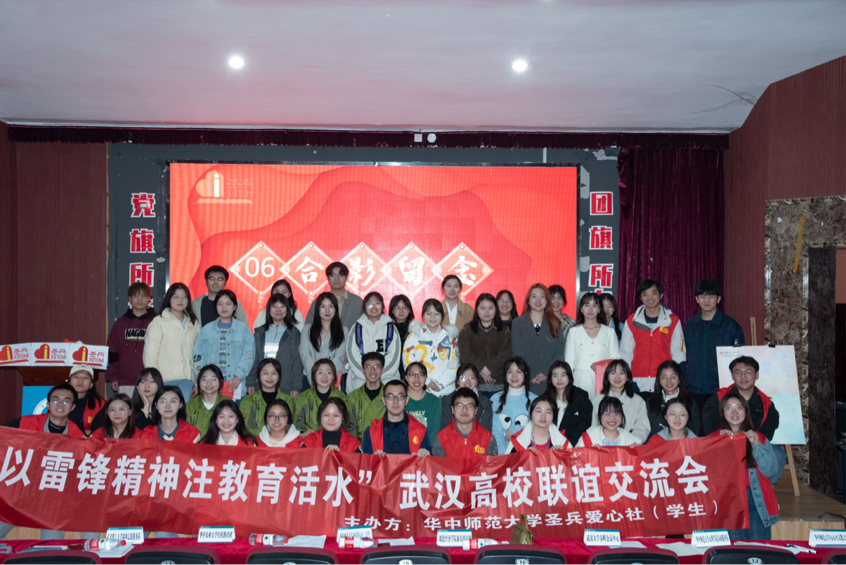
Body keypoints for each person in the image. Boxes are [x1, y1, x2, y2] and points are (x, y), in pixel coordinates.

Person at [0, 384, 83, 541]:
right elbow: (4, 438)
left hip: (51, 496)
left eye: (66, 401)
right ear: (48, 404)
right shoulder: (25, 423)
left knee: (53, 538)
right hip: (21, 489)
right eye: (56, 400)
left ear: (72, 407)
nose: (60, 404)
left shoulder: (78, 437)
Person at [709, 393, 780, 540]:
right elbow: (710, 476)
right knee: (734, 549)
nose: (734, 412)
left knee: (758, 547)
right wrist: (720, 446)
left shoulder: (759, 437)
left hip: (755, 499)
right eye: (729, 408)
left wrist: (756, 445)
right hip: (728, 501)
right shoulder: (713, 439)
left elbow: (771, 471)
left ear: (746, 412)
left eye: (739, 408)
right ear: (722, 413)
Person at [685, 279, 746, 412]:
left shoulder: (730, 326)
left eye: (711, 296)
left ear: (718, 299)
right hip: (695, 390)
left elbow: (740, 359)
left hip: (722, 390)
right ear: (697, 299)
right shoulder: (690, 326)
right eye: (703, 296)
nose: (707, 300)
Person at [620, 280, 686, 393]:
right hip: (637, 381)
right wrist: (628, 380)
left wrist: (676, 381)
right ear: (640, 298)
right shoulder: (631, 322)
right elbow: (625, 354)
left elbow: (679, 355)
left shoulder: (673, 321)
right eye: (645, 294)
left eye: (653, 293)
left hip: (665, 382)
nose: (649, 298)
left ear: (661, 295)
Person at [194, 289, 256, 401]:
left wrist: (239, 376)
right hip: (210, 388)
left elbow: (249, 355)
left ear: (235, 307)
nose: (224, 307)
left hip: (236, 386)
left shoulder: (244, 330)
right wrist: (205, 378)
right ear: (215, 306)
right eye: (220, 304)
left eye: (228, 304)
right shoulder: (206, 330)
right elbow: (198, 356)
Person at [143, 282, 201, 402]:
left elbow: (197, 354)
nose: (180, 300)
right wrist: (153, 380)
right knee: (165, 411)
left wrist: (196, 381)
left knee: (182, 412)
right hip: (164, 379)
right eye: (176, 297)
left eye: (184, 297)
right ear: (169, 299)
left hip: (187, 380)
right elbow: (150, 355)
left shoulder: (193, 323)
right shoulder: (159, 322)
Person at [702, 356, 780, 440]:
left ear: (757, 375)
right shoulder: (718, 399)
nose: (743, 377)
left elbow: (767, 432)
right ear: (732, 376)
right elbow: (711, 431)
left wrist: (754, 439)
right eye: (738, 373)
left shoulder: (765, 404)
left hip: (754, 446)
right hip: (724, 444)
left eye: (748, 372)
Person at [511, 284, 565, 395]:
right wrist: (529, 374)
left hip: (548, 379)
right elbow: (517, 353)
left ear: (547, 300)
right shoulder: (518, 323)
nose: (538, 300)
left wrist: (545, 372)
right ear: (528, 300)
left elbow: (559, 353)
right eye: (534, 296)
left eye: (542, 296)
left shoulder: (555, 323)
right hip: (525, 379)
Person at [564, 292, 621, 397]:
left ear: (599, 309)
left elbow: (616, 358)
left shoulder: (609, 332)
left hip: (603, 379)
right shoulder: (573, 332)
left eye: (594, 305)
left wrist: (602, 366)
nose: (590, 309)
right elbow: (569, 362)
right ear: (581, 309)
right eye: (586, 305)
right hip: (579, 380)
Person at [106, 282, 156, 397]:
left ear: (149, 298)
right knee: (126, 408)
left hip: (150, 381)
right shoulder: (120, 323)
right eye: (136, 295)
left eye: (143, 295)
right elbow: (112, 351)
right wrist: (113, 376)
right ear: (130, 298)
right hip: (125, 381)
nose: (139, 299)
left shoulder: (156, 322)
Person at [458, 293, 512, 398]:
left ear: (496, 309)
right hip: (473, 386)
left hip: (499, 386)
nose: (486, 312)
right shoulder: (467, 329)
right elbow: (465, 354)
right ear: (477, 309)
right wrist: (482, 369)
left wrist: (490, 368)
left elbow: (506, 354)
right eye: (482, 308)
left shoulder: (505, 330)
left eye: (490, 308)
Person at [402, 299, 460, 397]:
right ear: (423, 315)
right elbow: (408, 363)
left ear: (442, 315)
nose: (433, 317)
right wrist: (426, 381)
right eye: (428, 313)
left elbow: (455, 364)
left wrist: (440, 383)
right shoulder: (414, 336)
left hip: (447, 391)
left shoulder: (450, 336)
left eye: (437, 313)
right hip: (421, 390)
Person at [345, 292, 401, 392]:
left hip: (387, 382)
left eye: (377, 303)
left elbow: (394, 357)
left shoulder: (391, 328)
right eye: (369, 304)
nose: (374, 307)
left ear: (383, 306)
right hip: (360, 382)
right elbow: (352, 356)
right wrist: (367, 375)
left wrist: (378, 375)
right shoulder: (356, 328)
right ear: (364, 307)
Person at [249, 293, 303, 396]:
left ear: (288, 310)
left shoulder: (294, 333)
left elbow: (298, 362)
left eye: (282, 306)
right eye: (274, 306)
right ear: (268, 309)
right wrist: (250, 382)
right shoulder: (259, 333)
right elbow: (253, 360)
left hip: (285, 385)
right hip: (260, 385)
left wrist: (296, 385)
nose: (278, 310)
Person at [361, 380, 431, 457]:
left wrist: (427, 457)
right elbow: (365, 463)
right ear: (384, 401)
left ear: (406, 400)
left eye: (400, 396)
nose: (395, 401)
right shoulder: (371, 432)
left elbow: (429, 463)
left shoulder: (420, 430)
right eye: (390, 396)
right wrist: (372, 460)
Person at [591, 360, 650, 443]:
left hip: (629, 446)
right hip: (602, 446)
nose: (617, 377)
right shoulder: (597, 401)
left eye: (621, 373)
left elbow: (642, 427)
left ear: (627, 377)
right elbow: (594, 427)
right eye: (613, 373)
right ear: (607, 377)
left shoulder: (638, 401)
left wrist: (632, 442)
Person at [299, 292, 348, 388]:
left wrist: (328, 378)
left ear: (336, 309)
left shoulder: (343, 331)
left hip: (333, 379)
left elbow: (339, 357)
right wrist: (314, 378)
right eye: (323, 306)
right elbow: (305, 355)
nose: (327, 310)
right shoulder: (307, 330)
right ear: (317, 309)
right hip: (310, 378)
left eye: (331, 306)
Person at [432, 388, 497, 458]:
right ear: (452, 409)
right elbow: (438, 465)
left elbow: (491, 464)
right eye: (459, 405)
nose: (465, 410)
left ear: (476, 410)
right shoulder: (441, 439)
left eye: (469, 406)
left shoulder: (488, 438)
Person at [491, 357, 538, 453]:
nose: (514, 376)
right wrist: (504, 456)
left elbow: (538, 428)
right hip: (503, 454)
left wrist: (518, 428)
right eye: (510, 372)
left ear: (525, 373)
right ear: (505, 375)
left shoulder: (535, 400)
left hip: (527, 453)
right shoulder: (495, 399)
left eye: (518, 372)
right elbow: (496, 432)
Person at [646, 360, 702, 439]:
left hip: (683, 444)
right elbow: (646, 428)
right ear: (659, 380)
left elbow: (695, 428)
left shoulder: (689, 402)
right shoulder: (651, 402)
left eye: (673, 377)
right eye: (664, 377)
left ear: (679, 379)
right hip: (657, 444)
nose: (668, 381)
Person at [240, 359, 296, 436]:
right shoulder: (248, 400)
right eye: (265, 373)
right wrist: (266, 438)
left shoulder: (288, 400)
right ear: (258, 376)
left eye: (274, 373)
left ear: (279, 376)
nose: (270, 377)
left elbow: (289, 425)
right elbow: (246, 427)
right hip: (255, 441)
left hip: (281, 441)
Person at [542, 361, 592, 446]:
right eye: (555, 376)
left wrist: (565, 445)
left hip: (572, 447)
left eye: (563, 375)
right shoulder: (543, 401)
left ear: (569, 376)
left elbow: (583, 427)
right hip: (547, 448)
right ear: (550, 379)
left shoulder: (582, 400)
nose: (559, 379)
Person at [294, 359, 350, 434]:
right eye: (320, 372)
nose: (324, 376)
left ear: (333, 376)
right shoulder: (302, 398)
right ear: (314, 376)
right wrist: (304, 433)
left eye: (328, 372)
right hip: (309, 438)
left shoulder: (342, 398)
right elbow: (298, 423)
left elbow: (346, 423)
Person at [305, 262, 364, 331]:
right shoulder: (318, 302)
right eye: (333, 275)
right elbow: (308, 327)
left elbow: (364, 327)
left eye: (340, 275)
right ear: (328, 278)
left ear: (346, 278)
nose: (337, 278)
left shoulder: (358, 302)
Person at [438, 364, 494, 432]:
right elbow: (444, 430)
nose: (467, 381)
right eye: (463, 377)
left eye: (472, 378)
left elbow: (485, 433)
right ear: (457, 380)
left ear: (477, 381)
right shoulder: (447, 401)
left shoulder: (485, 404)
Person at [347, 352, 387, 438]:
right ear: (363, 370)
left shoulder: (390, 397)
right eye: (368, 367)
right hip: (358, 445)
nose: (372, 371)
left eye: (377, 367)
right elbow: (350, 428)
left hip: (384, 444)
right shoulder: (352, 397)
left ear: (382, 370)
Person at [185, 364, 228, 435]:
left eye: (213, 379)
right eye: (205, 379)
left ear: (221, 382)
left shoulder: (227, 404)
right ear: (199, 382)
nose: (209, 383)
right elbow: (185, 429)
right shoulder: (191, 404)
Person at [404, 362, 442, 437]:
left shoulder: (435, 401)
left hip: (428, 443)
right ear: (406, 377)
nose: (417, 378)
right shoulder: (399, 400)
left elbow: (435, 431)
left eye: (420, 375)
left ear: (425, 378)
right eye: (412, 374)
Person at [66, 364, 105, 435]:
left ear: (91, 385)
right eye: (76, 377)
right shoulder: (60, 401)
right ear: (69, 382)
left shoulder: (100, 404)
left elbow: (99, 431)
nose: (80, 380)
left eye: (85, 378)